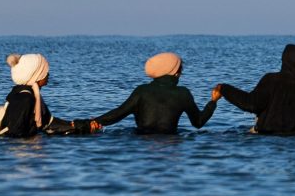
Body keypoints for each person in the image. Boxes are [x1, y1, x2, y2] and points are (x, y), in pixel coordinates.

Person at [90, 52, 219, 134]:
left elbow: (118, 114)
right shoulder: (183, 93)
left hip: (142, 143)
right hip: (171, 143)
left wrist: (95, 122)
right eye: (180, 70)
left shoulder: (142, 91)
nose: (181, 73)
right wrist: (213, 101)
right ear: (174, 72)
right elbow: (198, 122)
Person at [0, 53, 94, 137]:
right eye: (45, 72)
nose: (48, 74)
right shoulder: (25, 98)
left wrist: (79, 125)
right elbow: (15, 135)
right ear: (36, 75)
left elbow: (49, 123)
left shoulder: (33, 96)